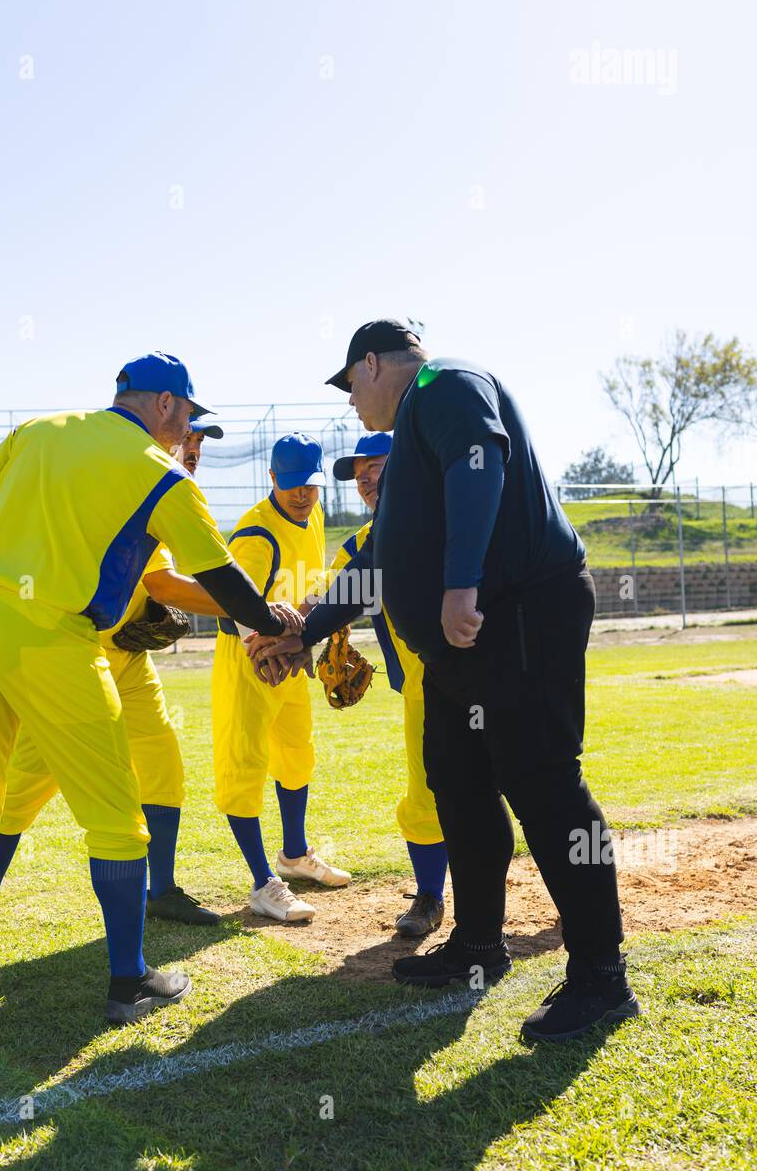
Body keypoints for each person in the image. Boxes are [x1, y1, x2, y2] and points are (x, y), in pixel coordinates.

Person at [248, 321, 639, 1044]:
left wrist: (460, 584)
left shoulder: (443, 383)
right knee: (457, 783)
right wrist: (304, 628)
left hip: (518, 610)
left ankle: (601, 977)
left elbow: (479, 462)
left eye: (351, 387)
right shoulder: (406, 458)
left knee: (545, 785)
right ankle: (478, 947)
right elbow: (377, 565)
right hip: (465, 647)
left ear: (372, 364)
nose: (354, 406)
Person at [0, 351, 301, 1025]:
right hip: (51, 637)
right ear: (162, 404)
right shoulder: (158, 473)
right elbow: (217, 576)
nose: (187, 428)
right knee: (116, 819)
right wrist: (275, 619)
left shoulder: (39, 430)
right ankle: (128, 982)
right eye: (186, 412)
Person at [212, 433, 351, 925]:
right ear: (272, 478)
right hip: (250, 662)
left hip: (291, 660)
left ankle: (294, 856)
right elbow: (228, 609)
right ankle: (262, 882)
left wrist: (317, 632)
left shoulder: (312, 516)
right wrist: (268, 641)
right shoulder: (255, 533)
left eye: (310, 485)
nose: (301, 494)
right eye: (291, 485)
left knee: (297, 754)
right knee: (243, 765)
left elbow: (310, 585)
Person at [328, 433, 447, 936]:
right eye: (359, 476)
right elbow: (328, 596)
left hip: (492, 678)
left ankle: (579, 889)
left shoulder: (446, 518)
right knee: (425, 796)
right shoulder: (358, 546)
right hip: (421, 691)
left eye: (375, 466)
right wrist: (314, 634)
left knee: (530, 783)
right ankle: (429, 898)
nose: (366, 479)